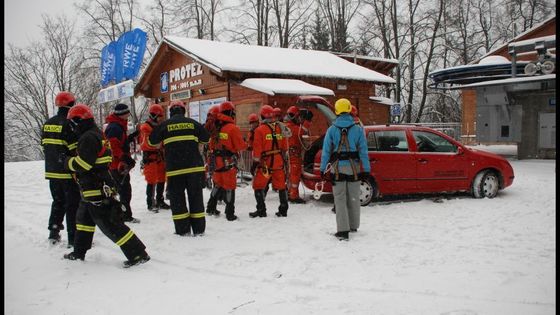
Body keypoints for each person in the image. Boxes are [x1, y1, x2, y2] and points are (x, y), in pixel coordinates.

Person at [62, 103, 150, 268]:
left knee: (110, 224)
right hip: (93, 185)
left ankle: (138, 254)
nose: (71, 127)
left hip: (95, 186)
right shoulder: (95, 134)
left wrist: (66, 161)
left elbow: (84, 164)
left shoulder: (88, 137)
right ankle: (79, 251)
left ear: (78, 121)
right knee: (84, 221)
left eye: (72, 123)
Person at [148, 100, 210, 236]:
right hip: (194, 169)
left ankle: (182, 230)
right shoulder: (193, 123)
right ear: (184, 111)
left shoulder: (165, 125)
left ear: (170, 112)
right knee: (196, 199)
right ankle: (199, 230)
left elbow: (151, 141)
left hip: (175, 171)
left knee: (178, 201)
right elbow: (206, 138)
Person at [320, 98, 370, 241]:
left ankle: (343, 230)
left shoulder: (331, 130)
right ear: (349, 110)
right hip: (354, 168)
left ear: (336, 111)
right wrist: (366, 169)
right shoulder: (358, 129)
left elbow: (326, 152)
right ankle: (353, 225)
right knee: (354, 198)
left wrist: (323, 169)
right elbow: (363, 151)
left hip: (337, 169)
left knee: (340, 199)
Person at [41, 91, 80, 246]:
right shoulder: (69, 124)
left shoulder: (48, 123)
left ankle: (54, 232)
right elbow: (74, 149)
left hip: (52, 171)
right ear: (71, 104)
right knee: (72, 205)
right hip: (67, 172)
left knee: (58, 201)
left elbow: (44, 146)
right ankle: (73, 238)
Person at [205, 101, 247, 221]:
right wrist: (246, 143)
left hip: (215, 161)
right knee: (229, 186)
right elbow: (241, 146)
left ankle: (210, 207)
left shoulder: (215, 126)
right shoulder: (232, 128)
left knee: (218, 184)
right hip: (227, 162)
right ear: (230, 112)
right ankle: (230, 213)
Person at [249, 105, 289, 218]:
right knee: (281, 186)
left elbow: (257, 151)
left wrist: (254, 165)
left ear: (262, 116)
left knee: (258, 186)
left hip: (265, 164)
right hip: (279, 162)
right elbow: (285, 146)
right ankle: (283, 209)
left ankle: (261, 210)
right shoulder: (280, 127)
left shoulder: (259, 130)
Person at [104, 103, 139, 223]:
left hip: (118, 163)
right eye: (127, 113)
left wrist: (130, 137)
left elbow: (120, 142)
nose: (129, 115)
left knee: (121, 189)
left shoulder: (117, 125)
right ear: (123, 114)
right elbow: (113, 146)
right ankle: (124, 215)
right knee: (123, 190)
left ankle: (120, 214)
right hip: (117, 165)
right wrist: (124, 157)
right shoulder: (115, 127)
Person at [138, 104, 169, 213]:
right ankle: (150, 203)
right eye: (160, 116)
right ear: (154, 115)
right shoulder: (145, 127)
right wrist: (160, 144)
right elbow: (146, 144)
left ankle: (160, 200)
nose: (161, 118)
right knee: (151, 180)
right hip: (150, 158)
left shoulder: (159, 126)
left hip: (160, 157)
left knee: (161, 178)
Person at [284, 106, 309, 204]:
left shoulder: (285, 126)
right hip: (293, 155)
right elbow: (303, 131)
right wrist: (307, 121)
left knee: (290, 175)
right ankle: (293, 196)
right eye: (298, 117)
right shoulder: (294, 128)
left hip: (287, 154)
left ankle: (290, 193)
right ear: (295, 116)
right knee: (295, 175)